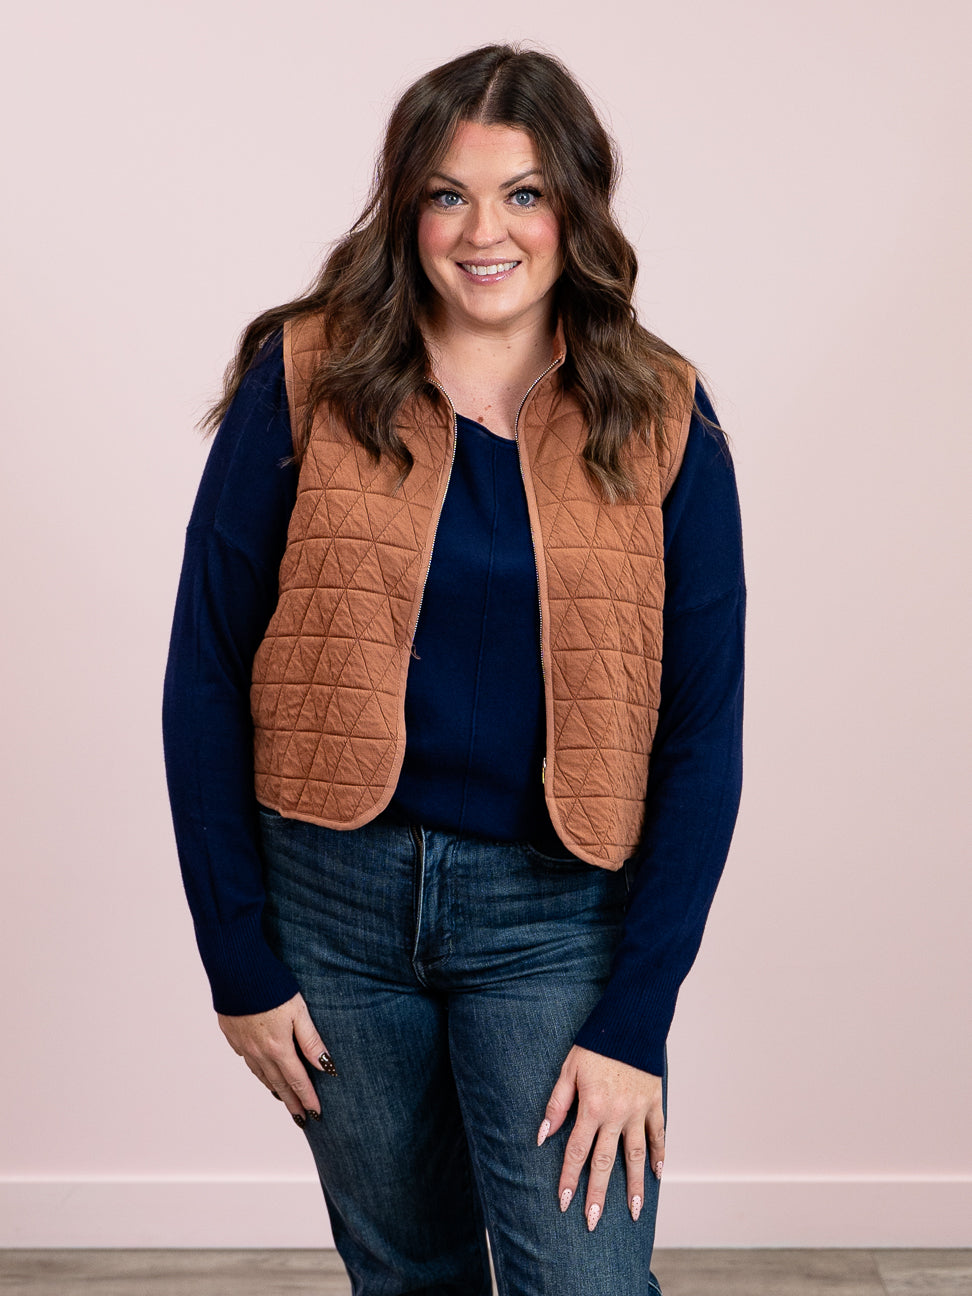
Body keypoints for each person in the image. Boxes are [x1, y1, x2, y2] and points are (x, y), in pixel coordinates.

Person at [163, 43, 744, 1296]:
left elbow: (703, 735)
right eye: (448, 194)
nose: (486, 232)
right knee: (410, 1277)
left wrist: (638, 1015)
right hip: (330, 898)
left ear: (575, 207)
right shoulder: (305, 379)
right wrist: (237, 958)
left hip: (556, 917)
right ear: (406, 208)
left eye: (523, 193)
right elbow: (205, 668)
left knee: (582, 1283)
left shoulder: (665, 418)